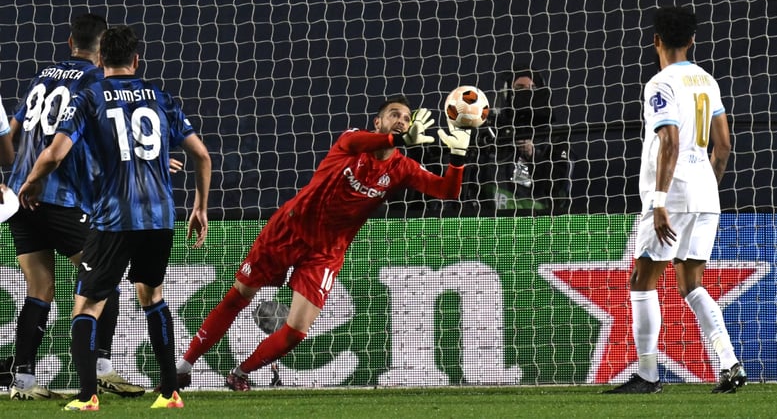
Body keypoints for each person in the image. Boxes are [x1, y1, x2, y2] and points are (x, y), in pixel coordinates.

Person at [169, 96, 471, 391]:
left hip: (326, 252)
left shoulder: (402, 168)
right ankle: (183, 367)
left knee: (297, 331)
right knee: (239, 296)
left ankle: (240, 373)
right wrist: (398, 140)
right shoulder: (351, 141)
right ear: (377, 122)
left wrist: (457, 158)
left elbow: (447, 191)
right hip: (289, 230)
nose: (401, 121)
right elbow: (362, 142)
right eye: (394, 114)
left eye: (406, 118)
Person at [17, 25, 211, 410]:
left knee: (86, 304)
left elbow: (55, 153)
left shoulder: (90, 97)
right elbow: (202, 156)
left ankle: (87, 395)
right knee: (152, 296)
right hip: (160, 216)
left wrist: (32, 181)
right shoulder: (161, 97)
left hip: (114, 217)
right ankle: (169, 392)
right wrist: (200, 207)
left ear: (101, 59)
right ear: (137, 60)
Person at [0, 13, 149, 401]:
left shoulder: (42, 76)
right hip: (59, 196)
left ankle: (23, 381)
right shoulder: (96, 81)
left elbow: (11, 132)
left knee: (40, 286)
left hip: (18, 195)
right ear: (103, 50)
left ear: (70, 42)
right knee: (105, 279)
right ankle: (100, 367)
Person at [604, 6, 743, 394]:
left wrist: (661, 200)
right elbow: (724, 145)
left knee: (642, 281)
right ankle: (730, 363)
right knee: (691, 284)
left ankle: (648, 375)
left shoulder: (660, 83)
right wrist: (707, 186)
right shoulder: (707, 80)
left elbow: (670, 141)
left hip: (673, 195)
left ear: (656, 41)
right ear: (693, 40)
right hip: (705, 194)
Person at [477, 66, 572, 214]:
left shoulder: (555, 136)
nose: (526, 93)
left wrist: (533, 155)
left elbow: (559, 185)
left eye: (532, 88)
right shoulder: (491, 132)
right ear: (508, 93)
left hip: (538, 218)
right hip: (492, 217)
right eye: (519, 88)